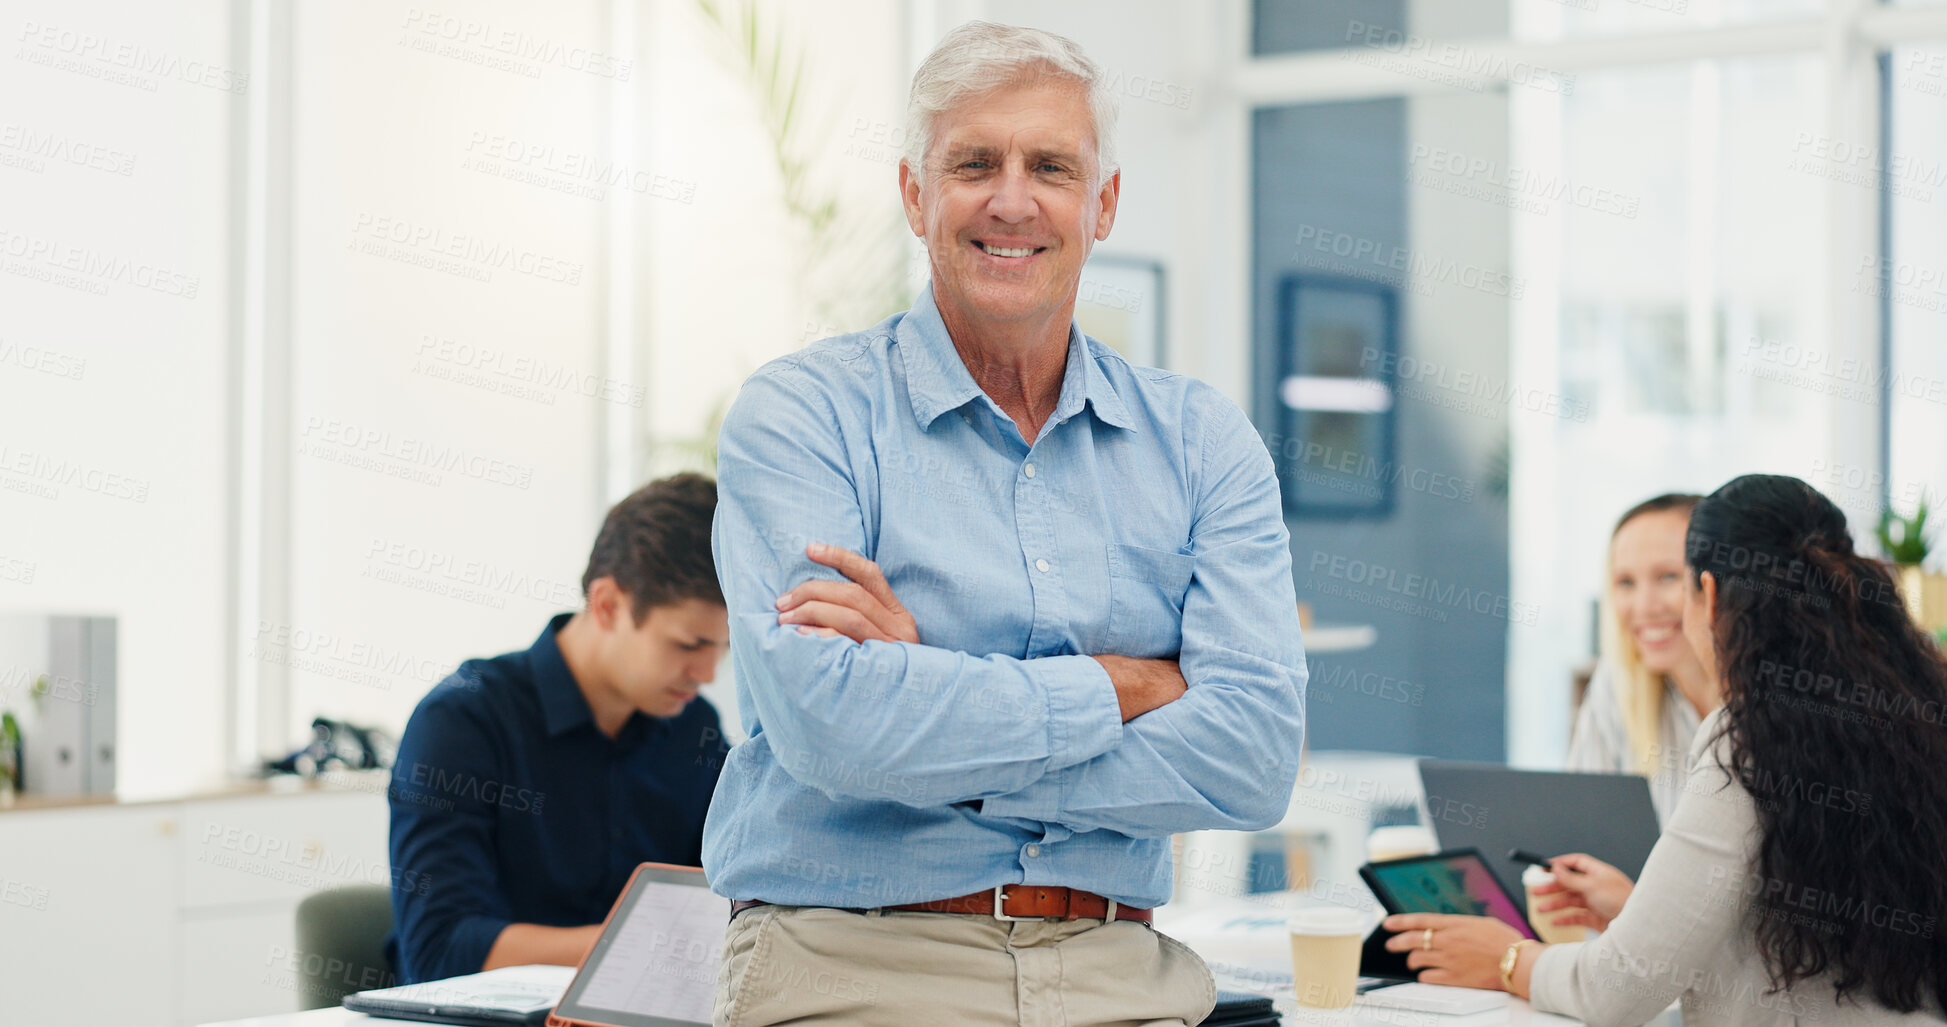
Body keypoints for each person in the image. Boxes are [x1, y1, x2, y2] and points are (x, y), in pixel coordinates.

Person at [703, 21, 1306, 1027]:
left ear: (1102, 204)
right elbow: (830, 726)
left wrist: (932, 709)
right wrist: (1126, 685)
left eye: (1052, 167)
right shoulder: (804, 414)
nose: (1012, 198)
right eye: (974, 162)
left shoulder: (1204, 441)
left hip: (1121, 967)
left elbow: (1250, 756)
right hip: (850, 962)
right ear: (915, 195)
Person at [1382, 474, 1947, 1025]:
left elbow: (1616, 994)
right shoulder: (1906, 714)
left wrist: (1506, 958)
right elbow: (1797, 956)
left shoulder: (1750, 742)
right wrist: (1641, 916)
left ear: (1708, 593)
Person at [386, 474, 731, 983]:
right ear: (608, 605)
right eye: (687, 645)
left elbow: (719, 902)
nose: (707, 675)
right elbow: (442, 952)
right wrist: (643, 947)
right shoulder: (463, 723)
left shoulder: (693, 729)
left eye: (724, 650)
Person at [1566, 493, 1718, 821]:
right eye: (1625, 582)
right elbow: (1581, 826)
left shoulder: (1772, 705)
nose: (1644, 607)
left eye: (1668, 577)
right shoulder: (1616, 682)